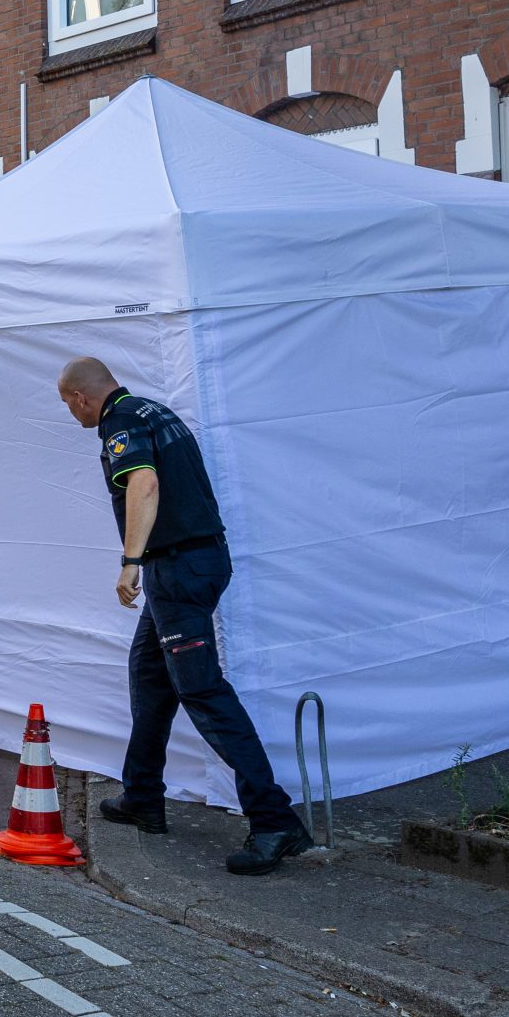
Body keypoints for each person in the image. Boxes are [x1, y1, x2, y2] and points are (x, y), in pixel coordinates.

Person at [56, 356, 315, 876]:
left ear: (81, 397)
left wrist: (130, 561)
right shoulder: (156, 410)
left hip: (177, 569)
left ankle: (274, 820)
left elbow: (144, 484)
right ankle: (143, 796)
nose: (72, 414)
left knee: (203, 693)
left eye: (68, 405)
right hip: (193, 563)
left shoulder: (121, 422)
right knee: (150, 678)